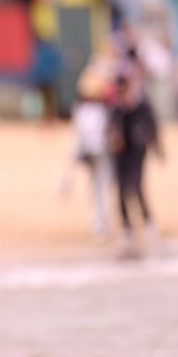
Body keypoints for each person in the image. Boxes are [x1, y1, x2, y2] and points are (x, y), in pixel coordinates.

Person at [109, 71, 163, 251]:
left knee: (137, 187)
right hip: (120, 156)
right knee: (121, 190)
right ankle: (127, 227)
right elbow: (109, 130)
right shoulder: (116, 109)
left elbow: (152, 127)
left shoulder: (140, 106)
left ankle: (148, 223)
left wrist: (157, 149)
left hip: (137, 153)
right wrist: (114, 139)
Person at [62, 70, 112, 239]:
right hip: (90, 153)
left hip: (103, 153)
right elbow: (78, 137)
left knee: (102, 187)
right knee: (96, 187)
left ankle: (103, 221)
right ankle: (99, 221)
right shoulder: (82, 111)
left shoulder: (104, 110)